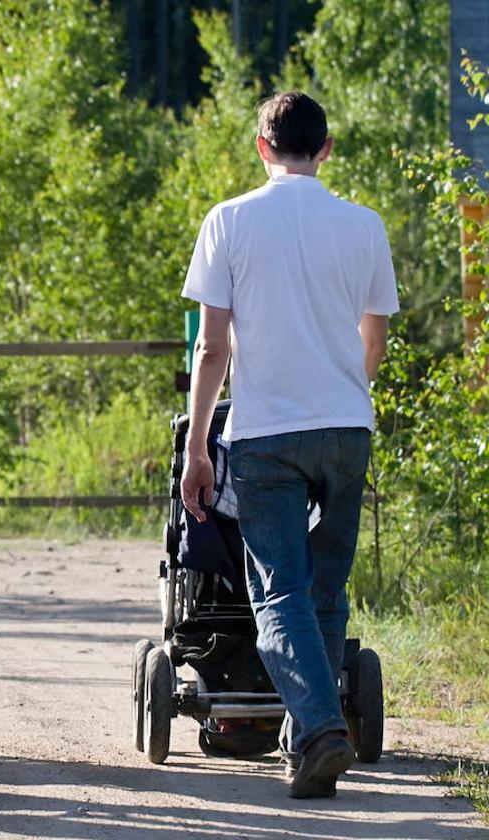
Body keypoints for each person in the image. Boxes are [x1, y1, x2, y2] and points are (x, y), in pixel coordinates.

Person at [179, 93, 398, 799]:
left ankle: (320, 728)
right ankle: (313, 741)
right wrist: (343, 391)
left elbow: (213, 346)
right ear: (326, 149)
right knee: (325, 589)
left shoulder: (229, 221)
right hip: (347, 428)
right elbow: (375, 339)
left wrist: (198, 448)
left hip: (267, 431)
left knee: (278, 595)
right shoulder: (364, 225)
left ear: (260, 146)